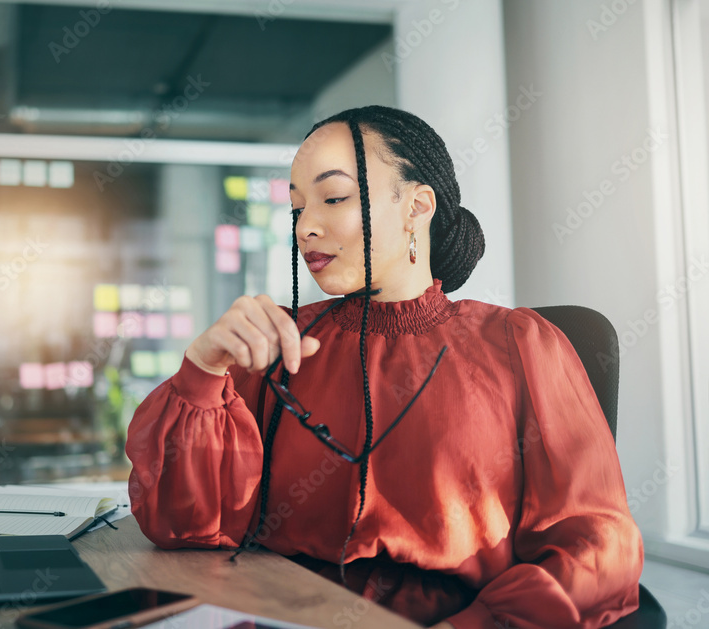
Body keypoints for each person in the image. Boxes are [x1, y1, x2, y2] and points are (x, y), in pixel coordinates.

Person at [125, 105, 643, 628]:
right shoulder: (277, 343)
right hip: (279, 609)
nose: (306, 227)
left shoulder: (521, 345)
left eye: (334, 198)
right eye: (297, 208)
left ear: (416, 206)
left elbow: (597, 545)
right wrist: (202, 372)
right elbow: (183, 528)